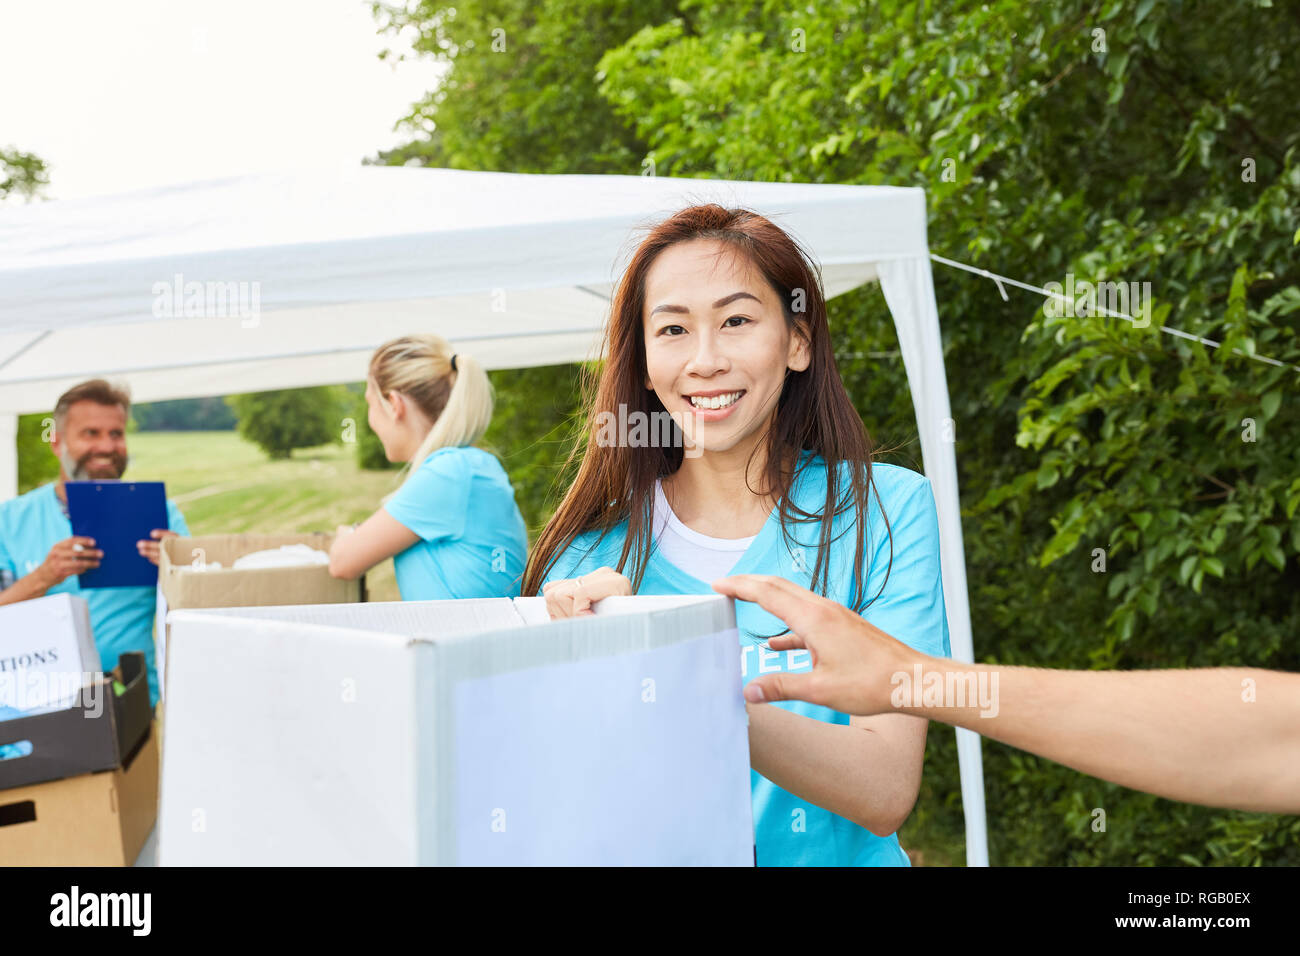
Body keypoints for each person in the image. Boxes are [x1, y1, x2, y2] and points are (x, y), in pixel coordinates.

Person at [526, 204, 951, 867]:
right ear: (641, 362)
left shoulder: (885, 509)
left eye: (736, 321)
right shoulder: (586, 563)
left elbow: (884, 786)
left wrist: (674, 668)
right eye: (672, 329)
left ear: (797, 341)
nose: (705, 360)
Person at [718, 573, 1300, 815]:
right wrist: (911, 676)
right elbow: (1274, 740)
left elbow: (1275, 742)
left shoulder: (886, 502)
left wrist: (912, 676)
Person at [0, 379, 187, 708]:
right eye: (90, 433)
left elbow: (196, 611)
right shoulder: (10, 520)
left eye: (116, 434)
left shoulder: (160, 515)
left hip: (130, 702)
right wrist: (42, 578)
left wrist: (179, 568)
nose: (106, 446)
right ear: (57, 443)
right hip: (34, 707)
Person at [328, 334, 527, 600]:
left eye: (370, 404)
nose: (370, 419)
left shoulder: (449, 472)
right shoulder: (469, 465)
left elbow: (343, 562)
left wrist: (348, 533)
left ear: (394, 404)